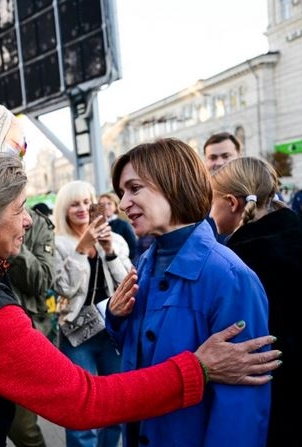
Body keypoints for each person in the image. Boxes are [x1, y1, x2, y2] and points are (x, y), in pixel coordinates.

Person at [0, 150, 280, 447]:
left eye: (134, 188)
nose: (29, 221)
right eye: (19, 210)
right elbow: (83, 401)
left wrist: (113, 315)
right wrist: (196, 368)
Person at [108, 138, 272, 447]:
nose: (122, 203)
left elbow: (241, 410)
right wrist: (115, 319)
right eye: (121, 192)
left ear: (173, 183)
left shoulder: (230, 277)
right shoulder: (145, 263)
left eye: (134, 188)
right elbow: (142, 353)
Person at [210, 156, 302, 447]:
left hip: (263, 388)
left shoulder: (238, 259)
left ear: (231, 202)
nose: (209, 212)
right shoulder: (301, 232)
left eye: (212, 202)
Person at [53, 180, 132, 447]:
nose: (83, 208)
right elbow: (63, 287)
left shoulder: (116, 239)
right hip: (76, 331)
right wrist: (79, 251)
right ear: (64, 208)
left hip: (111, 327)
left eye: (87, 202)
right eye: (75, 203)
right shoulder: (59, 243)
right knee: (81, 405)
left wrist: (109, 251)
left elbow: (128, 283)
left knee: (116, 402)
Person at [6, 205, 55, 447]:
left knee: (23, 430)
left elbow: (42, 281)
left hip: (19, 339)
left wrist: (12, 242)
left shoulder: (37, 223)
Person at [98, 191, 137, 262]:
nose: (105, 207)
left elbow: (133, 248)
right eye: (102, 204)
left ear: (115, 206)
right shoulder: (95, 226)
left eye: (109, 204)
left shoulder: (123, 225)